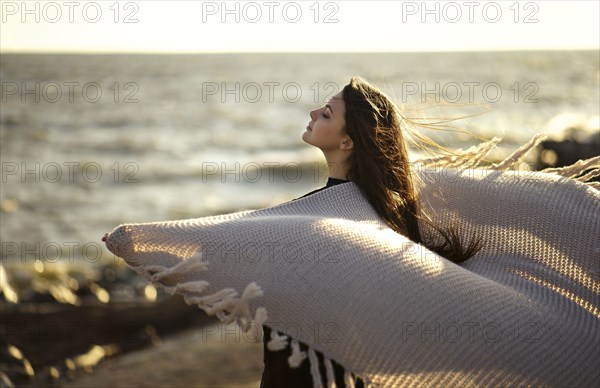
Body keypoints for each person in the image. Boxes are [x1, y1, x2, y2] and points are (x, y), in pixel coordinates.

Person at [260, 76, 481, 387]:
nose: (312, 113)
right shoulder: (384, 212)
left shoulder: (313, 214)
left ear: (347, 141)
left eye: (326, 113)